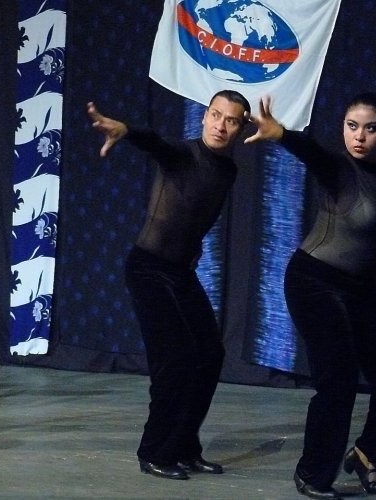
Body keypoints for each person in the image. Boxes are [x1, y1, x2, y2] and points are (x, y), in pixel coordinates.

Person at [246, 93, 376, 499]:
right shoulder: (338, 168)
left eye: (370, 128)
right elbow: (313, 154)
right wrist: (281, 134)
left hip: (360, 289)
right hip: (314, 281)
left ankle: (368, 452)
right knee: (338, 378)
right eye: (351, 126)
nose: (359, 136)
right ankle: (312, 473)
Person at [87, 90, 251, 480]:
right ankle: (155, 451)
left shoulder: (228, 170)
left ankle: (184, 447)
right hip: (148, 268)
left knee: (209, 355)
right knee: (174, 360)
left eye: (231, 120)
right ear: (204, 117)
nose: (220, 125)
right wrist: (127, 131)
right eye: (215, 115)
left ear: (241, 128)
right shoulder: (182, 154)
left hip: (179, 273)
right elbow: (155, 143)